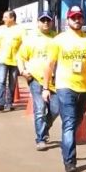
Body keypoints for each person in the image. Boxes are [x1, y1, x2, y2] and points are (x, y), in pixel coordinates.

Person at [44, 5, 86, 172]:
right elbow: (50, 65)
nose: (77, 20)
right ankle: (70, 162)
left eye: (79, 17)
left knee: (76, 121)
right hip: (65, 86)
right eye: (73, 17)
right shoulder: (58, 40)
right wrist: (45, 87)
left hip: (84, 88)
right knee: (69, 124)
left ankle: (67, 145)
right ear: (68, 20)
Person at [18, 12, 59, 150]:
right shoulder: (31, 39)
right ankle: (40, 138)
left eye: (48, 20)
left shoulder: (57, 38)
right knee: (40, 108)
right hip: (36, 78)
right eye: (43, 20)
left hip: (54, 79)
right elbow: (21, 57)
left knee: (56, 109)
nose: (46, 23)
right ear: (38, 22)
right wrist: (23, 71)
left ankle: (45, 128)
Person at [0, 10, 23, 112]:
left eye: (5, 17)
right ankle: (0, 103)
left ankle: (9, 103)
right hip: (2, 59)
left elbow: (25, 45)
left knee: (12, 83)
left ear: (12, 18)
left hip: (15, 60)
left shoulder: (21, 29)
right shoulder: (1, 29)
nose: (3, 19)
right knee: (1, 81)